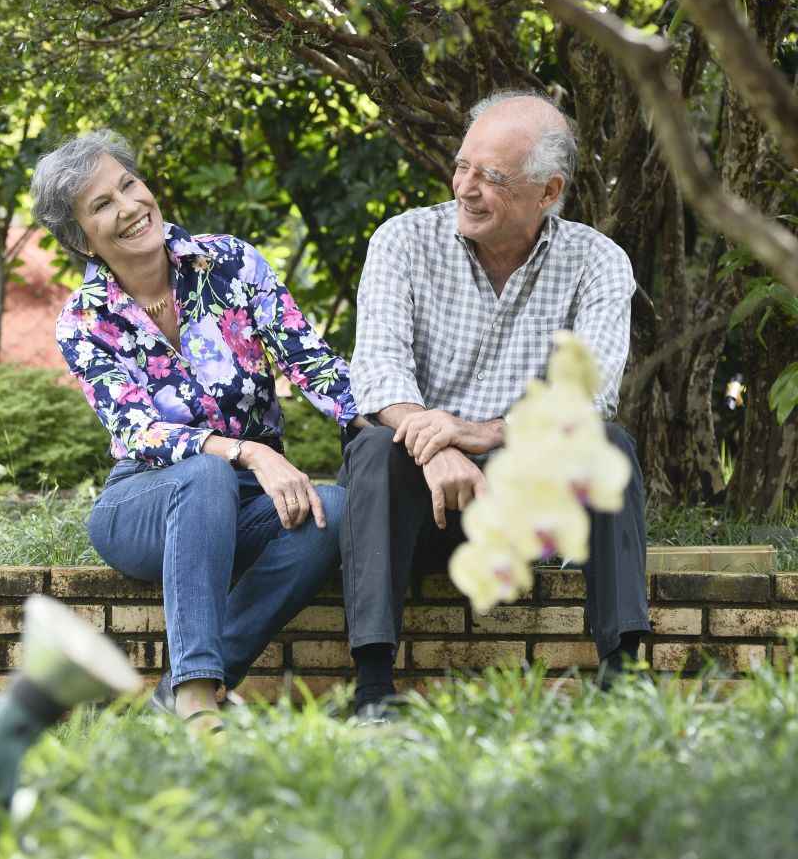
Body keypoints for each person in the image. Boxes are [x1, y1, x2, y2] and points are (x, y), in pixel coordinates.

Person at [32, 130, 365, 733]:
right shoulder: (83, 321)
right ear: (82, 238)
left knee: (332, 510)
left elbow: (312, 364)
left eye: (128, 185)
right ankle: (196, 700)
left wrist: (400, 420)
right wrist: (247, 453)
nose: (129, 206)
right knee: (207, 470)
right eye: (102, 205)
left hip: (241, 506)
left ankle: (178, 692)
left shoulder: (230, 262)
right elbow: (136, 429)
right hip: (144, 505)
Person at [341, 90, 650, 719]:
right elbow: (376, 374)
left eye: (493, 176)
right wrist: (434, 444)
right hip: (416, 493)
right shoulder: (402, 240)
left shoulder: (597, 262)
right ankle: (372, 688)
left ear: (548, 190)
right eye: (462, 166)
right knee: (374, 446)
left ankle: (625, 678)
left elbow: (589, 396)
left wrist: (483, 434)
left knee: (609, 447)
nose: (466, 187)